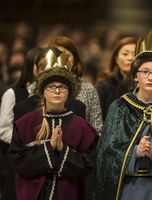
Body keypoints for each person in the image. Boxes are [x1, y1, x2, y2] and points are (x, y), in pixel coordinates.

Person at [94, 32, 152, 200]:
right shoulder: (119, 108)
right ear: (135, 76)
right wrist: (134, 151)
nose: (150, 77)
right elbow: (107, 152)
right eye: (145, 71)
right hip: (126, 186)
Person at [8, 49, 99, 200]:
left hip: (69, 192)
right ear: (42, 91)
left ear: (69, 92)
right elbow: (17, 161)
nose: (57, 91)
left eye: (62, 87)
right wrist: (48, 148)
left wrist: (63, 150)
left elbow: (89, 164)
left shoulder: (81, 126)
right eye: (51, 87)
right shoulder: (27, 122)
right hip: (33, 192)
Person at [0, 47, 42, 200]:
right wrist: (27, 141)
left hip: (42, 160)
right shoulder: (13, 93)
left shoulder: (50, 94)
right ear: (30, 66)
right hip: (18, 158)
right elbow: (3, 130)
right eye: (40, 65)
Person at [48, 36, 103, 135]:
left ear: (75, 59)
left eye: (67, 56)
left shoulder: (88, 89)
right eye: (58, 55)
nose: (63, 60)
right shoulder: (37, 88)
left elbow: (97, 129)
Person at [96, 36, 136, 120]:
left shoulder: (145, 86)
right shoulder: (104, 85)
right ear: (116, 59)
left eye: (135, 54)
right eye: (125, 54)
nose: (130, 58)